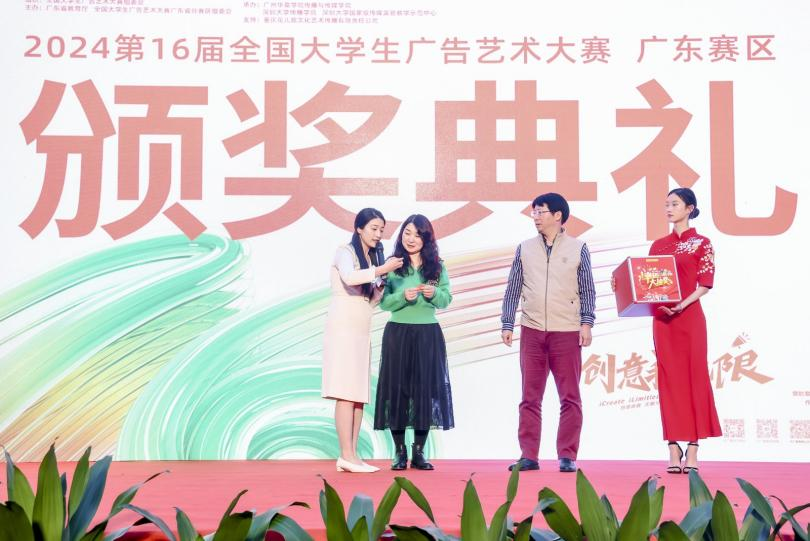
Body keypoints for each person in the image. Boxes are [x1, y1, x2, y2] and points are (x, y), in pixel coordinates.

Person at [501, 193, 596, 473]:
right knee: (530, 397)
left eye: (540, 212)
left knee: (570, 397)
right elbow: (513, 288)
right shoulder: (524, 248)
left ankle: (567, 455)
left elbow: (587, 289)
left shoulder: (579, 248)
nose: (536, 217)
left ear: (557, 215)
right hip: (532, 330)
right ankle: (528, 455)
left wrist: (586, 323)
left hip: (566, 330)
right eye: (534, 212)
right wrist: (507, 323)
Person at [646, 188, 721, 473]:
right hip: (663, 320)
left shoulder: (702, 243)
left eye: (675, 204)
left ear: (689, 208)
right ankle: (672, 447)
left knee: (693, 379)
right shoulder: (658, 245)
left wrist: (682, 304)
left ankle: (692, 447)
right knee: (669, 381)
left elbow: (705, 283)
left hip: (689, 318)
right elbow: (648, 283)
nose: (669, 208)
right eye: (666, 204)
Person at [322, 208, 403, 473]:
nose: (378, 234)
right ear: (359, 228)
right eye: (373, 228)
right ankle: (345, 454)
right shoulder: (345, 252)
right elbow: (349, 277)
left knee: (357, 394)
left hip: (360, 326)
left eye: (381, 230)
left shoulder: (371, 258)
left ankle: (352, 455)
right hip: (343, 325)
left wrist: (381, 283)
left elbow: (371, 299)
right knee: (345, 392)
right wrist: (382, 268)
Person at [374, 214, 454, 471]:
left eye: (418, 235)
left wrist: (435, 293)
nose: (411, 239)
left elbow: (446, 299)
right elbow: (383, 302)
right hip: (397, 333)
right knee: (397, 391)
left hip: (428, 334)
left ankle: (419, 452)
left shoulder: (437, 266)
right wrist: (401, 296)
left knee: (425, 392)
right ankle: (399, 452)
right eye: (407, 233)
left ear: (426, 238)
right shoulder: (392, 265)